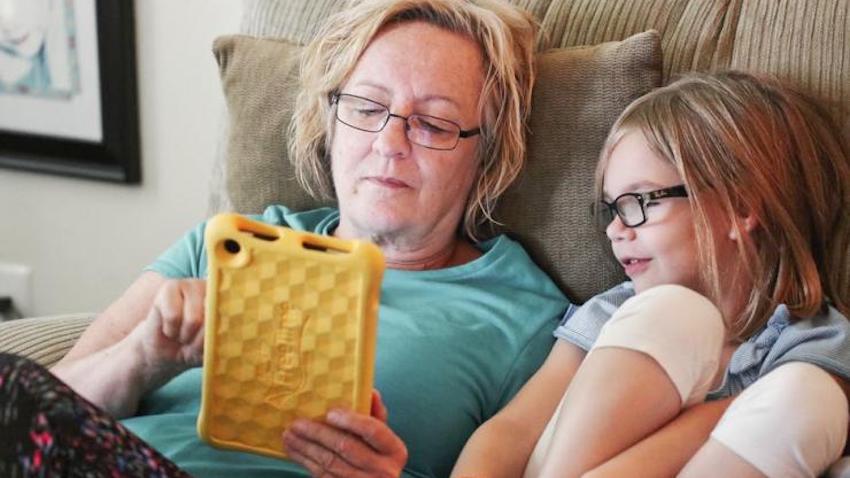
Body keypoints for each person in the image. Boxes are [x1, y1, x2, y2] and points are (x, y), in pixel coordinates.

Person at [0, 1, 569, 477]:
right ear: (330, 120)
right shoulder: (231, 246)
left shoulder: (523, 317)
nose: (389, 142)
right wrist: (142, 358)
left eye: (434, 123)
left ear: (487, 153)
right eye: (367, 107)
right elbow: (35, 410)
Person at [453, 71, 850, 478]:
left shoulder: (819, 343)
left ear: (740, 208)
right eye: (612, 208)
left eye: (639, 201)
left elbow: (792, 420)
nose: (614, 229)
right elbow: (512, 431)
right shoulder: (614, 313)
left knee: (807, 397)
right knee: (673, 314)